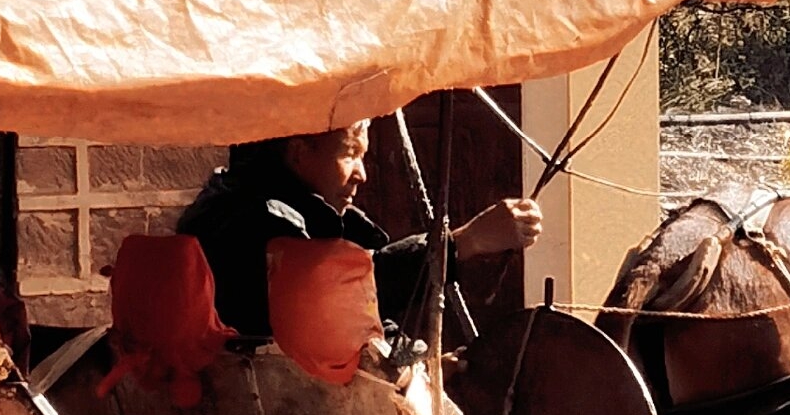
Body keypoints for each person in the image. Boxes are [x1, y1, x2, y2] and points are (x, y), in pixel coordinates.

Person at [178, 121, 542, 346]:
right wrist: (467, 241)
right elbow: (346, 291)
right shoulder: (261, 222)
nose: (362, 174)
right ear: (299, 153)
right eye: (350, 153)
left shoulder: (242, 200)